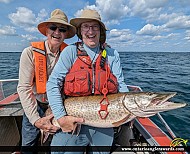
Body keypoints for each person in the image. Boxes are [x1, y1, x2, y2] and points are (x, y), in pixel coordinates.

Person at [46, 9, 129, 154]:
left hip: (105, 120)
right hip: (72, 120)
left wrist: (130, 112)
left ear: (101, 31)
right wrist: (61, 118)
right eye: (86, 26)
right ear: (80, 31)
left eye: (95, 26)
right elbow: (53, 84)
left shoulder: (112, 54)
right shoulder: (70, 52)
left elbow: (121, 85)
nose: (90, 31)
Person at [17, 9, 76, 152]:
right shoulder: (29, 53)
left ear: (66, 34)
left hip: (59, 105)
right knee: (28, 142)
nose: (57, 32)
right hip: (35, 103)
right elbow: (24, 88)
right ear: (46, 31)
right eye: (53, 28)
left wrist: (103, 48)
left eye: (62, 29)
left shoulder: (71, 54)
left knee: (57, 143)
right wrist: (36, 119)